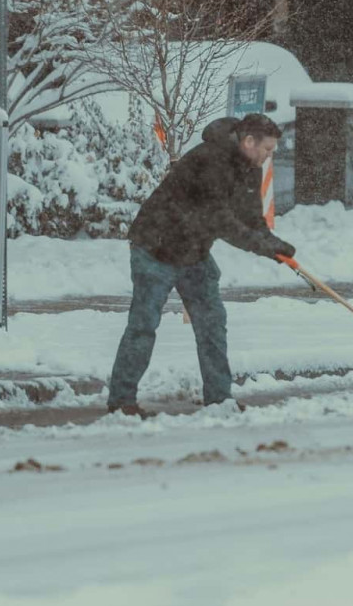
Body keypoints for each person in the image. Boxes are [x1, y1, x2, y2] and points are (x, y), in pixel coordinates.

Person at [107, 113, 296, 417]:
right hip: (156, 246)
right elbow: (220, 220)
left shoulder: (251, 168)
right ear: (249, 141)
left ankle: (220, 399)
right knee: (143, 325)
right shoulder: (210, 159)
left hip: (193, 251)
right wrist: (262, 246)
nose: (268, 156)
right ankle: (121, 401)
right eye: (267, 149)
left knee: (212, 323)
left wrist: (274, 245)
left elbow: (250, 218)